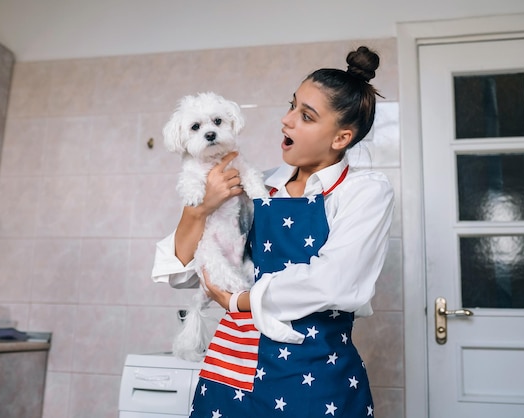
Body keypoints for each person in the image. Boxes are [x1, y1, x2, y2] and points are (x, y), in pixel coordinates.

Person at [152, 45, 394, 417]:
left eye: (306, 116)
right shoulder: (260, 185)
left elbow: (334, 283)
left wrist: (238, 301)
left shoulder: (363, 193)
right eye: (291, 105)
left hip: (315, 378)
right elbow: (182, 275)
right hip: (230, 370)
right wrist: (199, 208)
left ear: (341, 138)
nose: (287, 120)